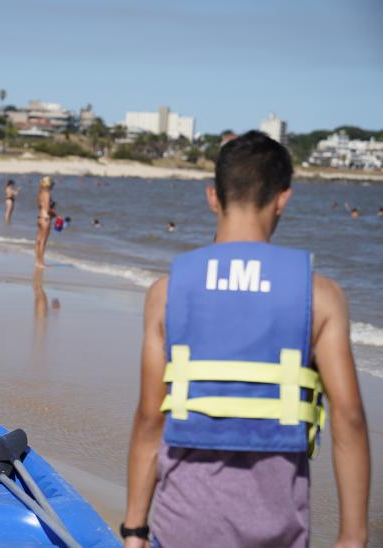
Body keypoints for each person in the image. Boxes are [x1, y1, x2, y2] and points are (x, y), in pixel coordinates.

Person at [123, 131, 369, 547]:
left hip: (181, 526)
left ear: (213, 197)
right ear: (283, 198)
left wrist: (134, 530)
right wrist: (352, 538)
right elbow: (350, 421)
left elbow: (151, 418)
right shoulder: (320, 297)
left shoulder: (167, 293)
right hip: (277, 531)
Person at [35, 176, 55, 269]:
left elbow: (40, 206)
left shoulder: (40, 193)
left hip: (39, 217)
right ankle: (41, 262)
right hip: (45, 219)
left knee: (38, 240)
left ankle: (37, 261)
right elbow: (47, 209)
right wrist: (56, 215)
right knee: (43, 241)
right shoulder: (47, 193)